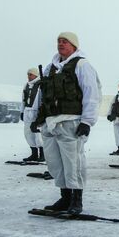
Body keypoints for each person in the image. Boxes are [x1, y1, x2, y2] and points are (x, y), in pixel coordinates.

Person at [30, 32, 101, 214]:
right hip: (50, 121)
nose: (61, 44)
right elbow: (42, 94)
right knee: (55, 162)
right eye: (59, 41)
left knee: (73, 162)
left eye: (65, 42)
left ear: (74, 46)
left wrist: (87, 121)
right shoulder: (50, 68)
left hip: (71, 121)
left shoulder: (82, 65)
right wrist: (35, 117)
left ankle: (76, 199)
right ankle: (65, 197)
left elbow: (91, 93)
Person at [20, 67, 44, 162]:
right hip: (27, 113)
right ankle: (34, 154)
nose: (28, 76)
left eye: (30, 74)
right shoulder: (26, 85)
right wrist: (22, 111)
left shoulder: (40, 85)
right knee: (28, 134)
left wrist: (41, 114)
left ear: (35, 75)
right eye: (28, 74)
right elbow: (23, 100)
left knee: (38, 135)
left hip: (36, 113)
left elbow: (42, 100)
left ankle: (42, 154)